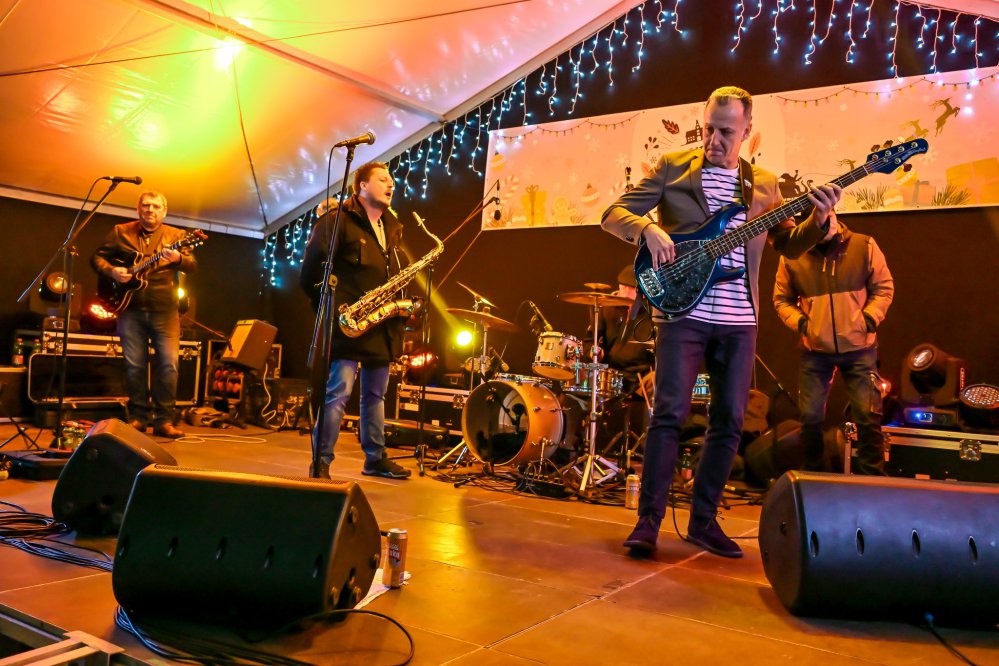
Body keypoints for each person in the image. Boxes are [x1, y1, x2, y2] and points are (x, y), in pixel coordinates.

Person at [601, 86, 842, 558]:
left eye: (726, 132)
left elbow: (788, 244)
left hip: (739, 319)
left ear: (747, 131)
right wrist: (648, 229)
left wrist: (819, 221)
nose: (714, 139)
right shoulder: (673, 166)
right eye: (709, 128)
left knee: (730, 420)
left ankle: (703, 521)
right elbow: (613, 214)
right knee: (668, 415)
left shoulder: (764, 184)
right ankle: (648, 522)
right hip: (683, 313)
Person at [300, 162, 412, 480]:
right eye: (382, 179)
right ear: (362, 186)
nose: (391, 184)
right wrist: (330, 311)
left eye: (392, 180)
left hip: (380, 325)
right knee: (338, 393)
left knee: (376, 395)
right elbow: (309, 274)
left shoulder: (392, 227)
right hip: (347, 324)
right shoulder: (337, 221)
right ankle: (321, 461)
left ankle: (375, 459)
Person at [773, 213, 894, 475]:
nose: (826, 224)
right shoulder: (792, 256)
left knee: (868, 416)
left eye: (828, 216)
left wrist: (868, 320)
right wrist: (803, 324)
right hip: (815, 351)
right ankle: (815, 478)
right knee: (810, 418)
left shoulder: (864, 245)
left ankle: (873, 480)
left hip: (860, 348)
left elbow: (883, 288)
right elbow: (781, 300)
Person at [91, 190, 196, 438]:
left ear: (164, 211)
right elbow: (97, 258)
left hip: (165, 310)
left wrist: (178, 258)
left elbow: (192, 265)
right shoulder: (121, 231)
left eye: (156, 206)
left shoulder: (177, 235)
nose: (150, 210)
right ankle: (138, 418)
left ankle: (164, 421)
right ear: (138, 208)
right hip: (130, 308)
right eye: (146, 205)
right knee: (134, 366)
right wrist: (112, 271)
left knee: (168, 365)